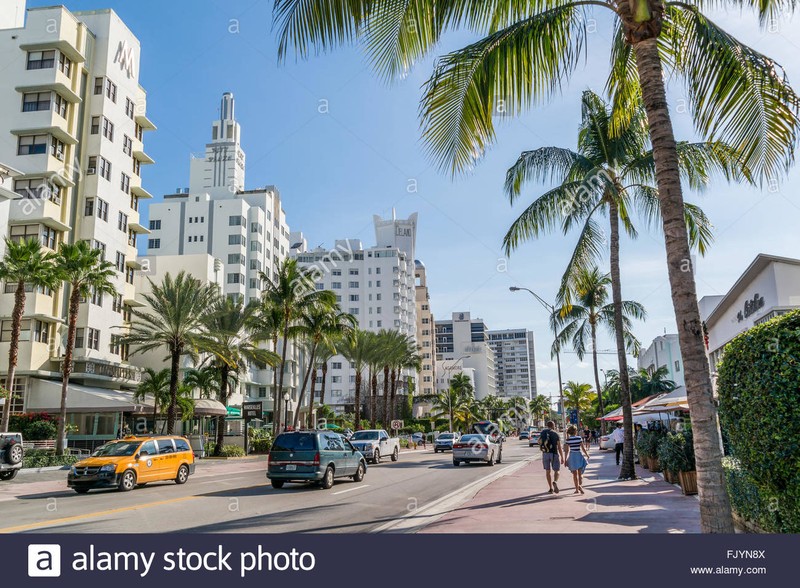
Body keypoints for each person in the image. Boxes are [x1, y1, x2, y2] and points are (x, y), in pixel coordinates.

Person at [538, 420, 565, 494]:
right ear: (553, 425)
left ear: (547, 425)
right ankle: (555, 481)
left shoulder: (543, 432)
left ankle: (550, 488)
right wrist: (562, 457)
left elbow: (539, 441)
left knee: (547, 471)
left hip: (545, 453)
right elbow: (559, 447)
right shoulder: (556, 434)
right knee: (557, 470)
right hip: (554, 453)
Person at [564, 425, 590, 494]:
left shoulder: (568, 440)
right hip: (578, 455)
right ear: (575, 431)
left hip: (572, 456)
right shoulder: (579, 438)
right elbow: (583, 448)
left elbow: (566, 450)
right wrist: (587, 455)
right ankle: (580, 485)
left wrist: (565, 459)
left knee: (574, 474)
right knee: (580, 473)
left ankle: (576, 489)